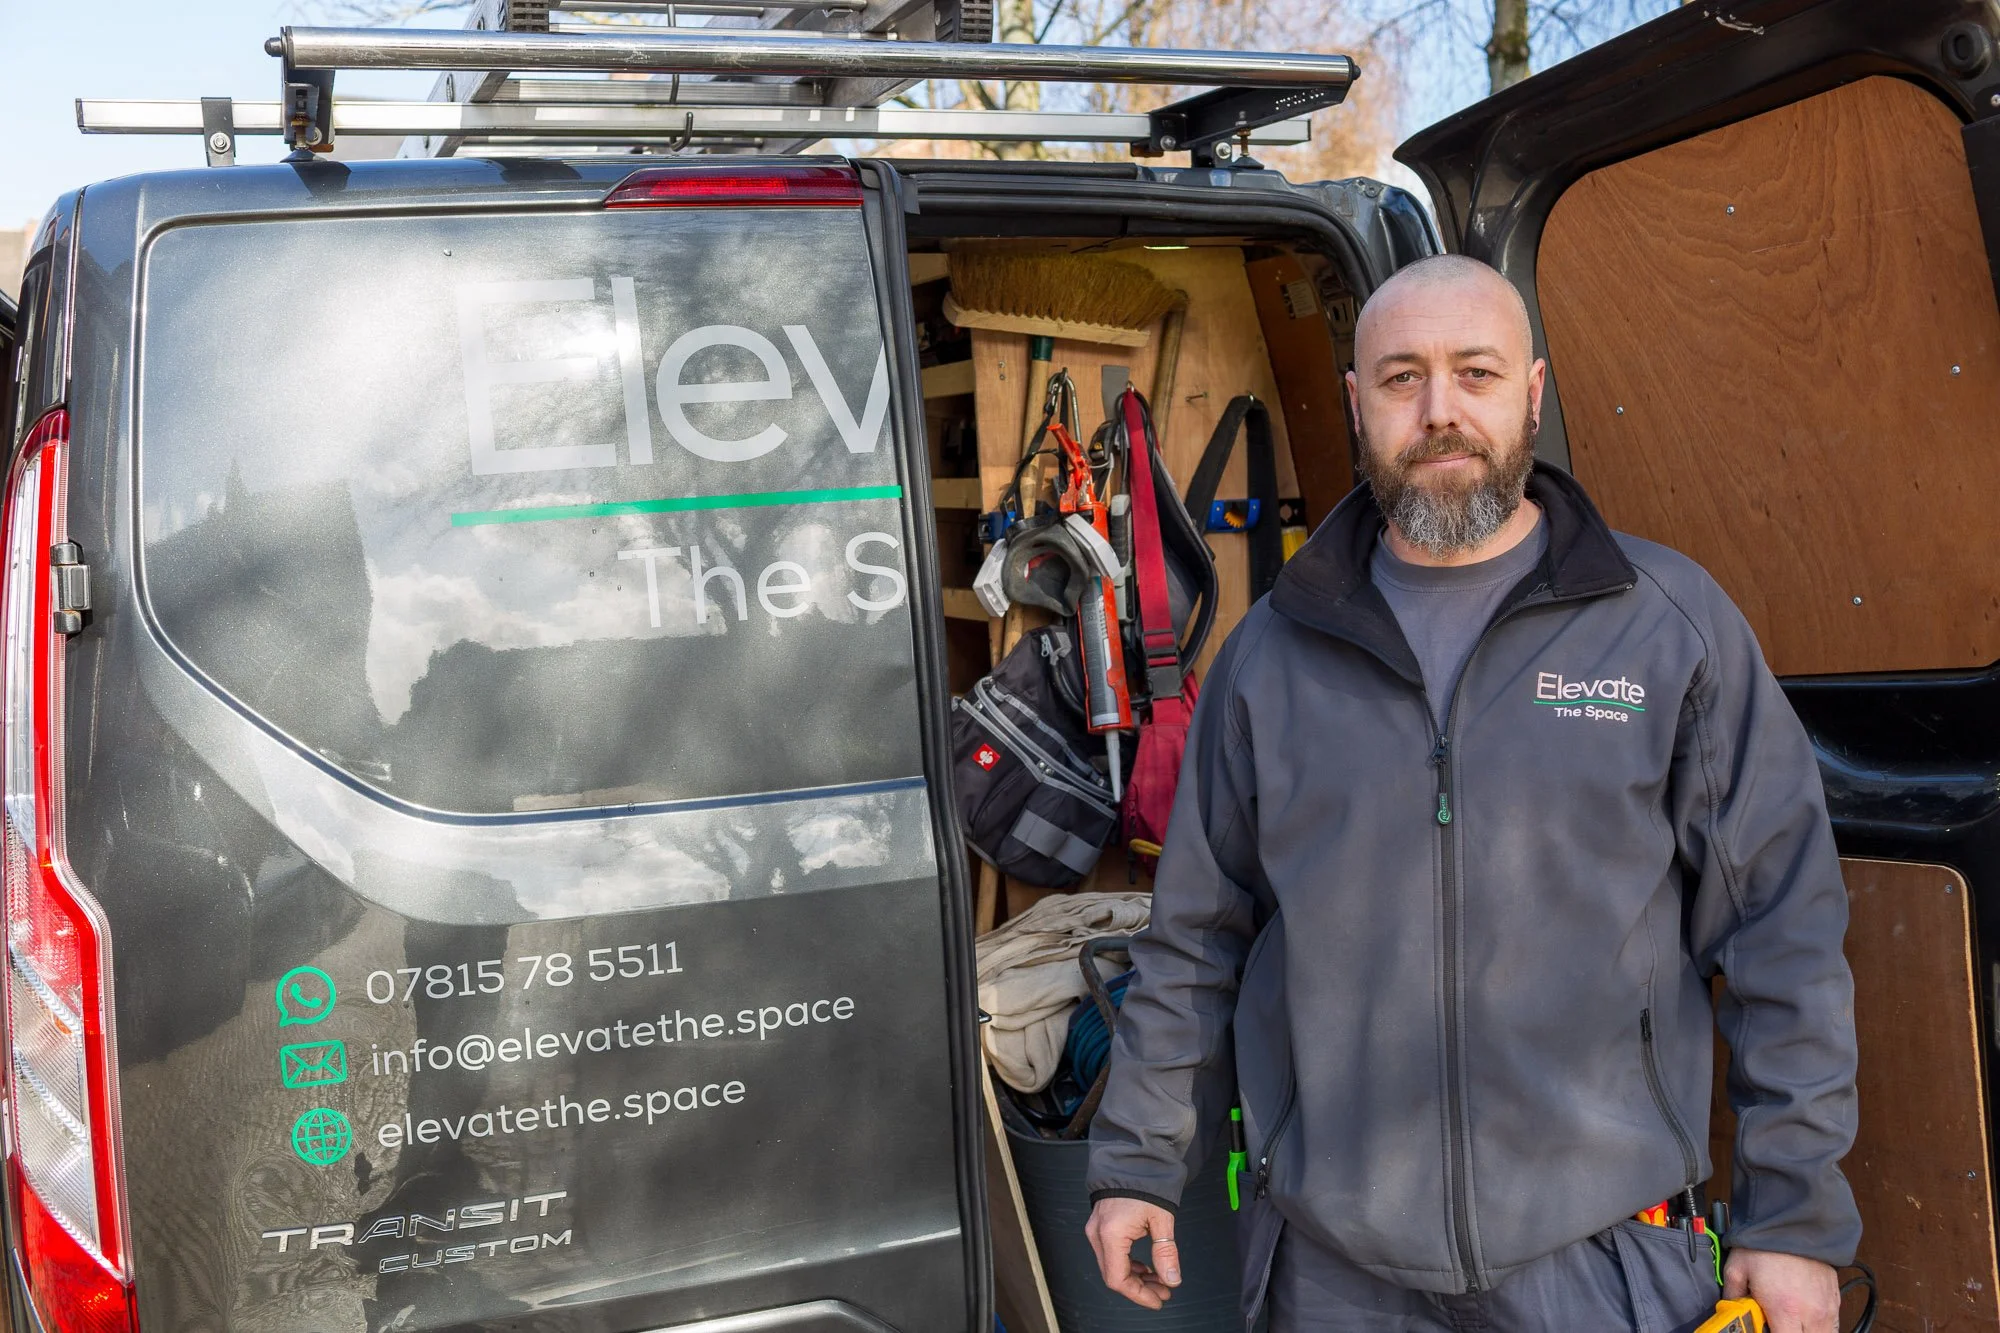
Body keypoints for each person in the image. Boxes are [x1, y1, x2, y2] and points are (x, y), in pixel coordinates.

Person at [1082, 254, 1858, 1333]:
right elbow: (1196, 939)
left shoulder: (1663, 628)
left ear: (1531, 393)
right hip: (1333, 1273)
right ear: (1356, 402)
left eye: (1475, 373)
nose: (1439, 411)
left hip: (1597, 1260)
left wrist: (1793, 1217)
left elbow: (1781, 932)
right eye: (1401, 377)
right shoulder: (1270, 655)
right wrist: (1135, 1161)